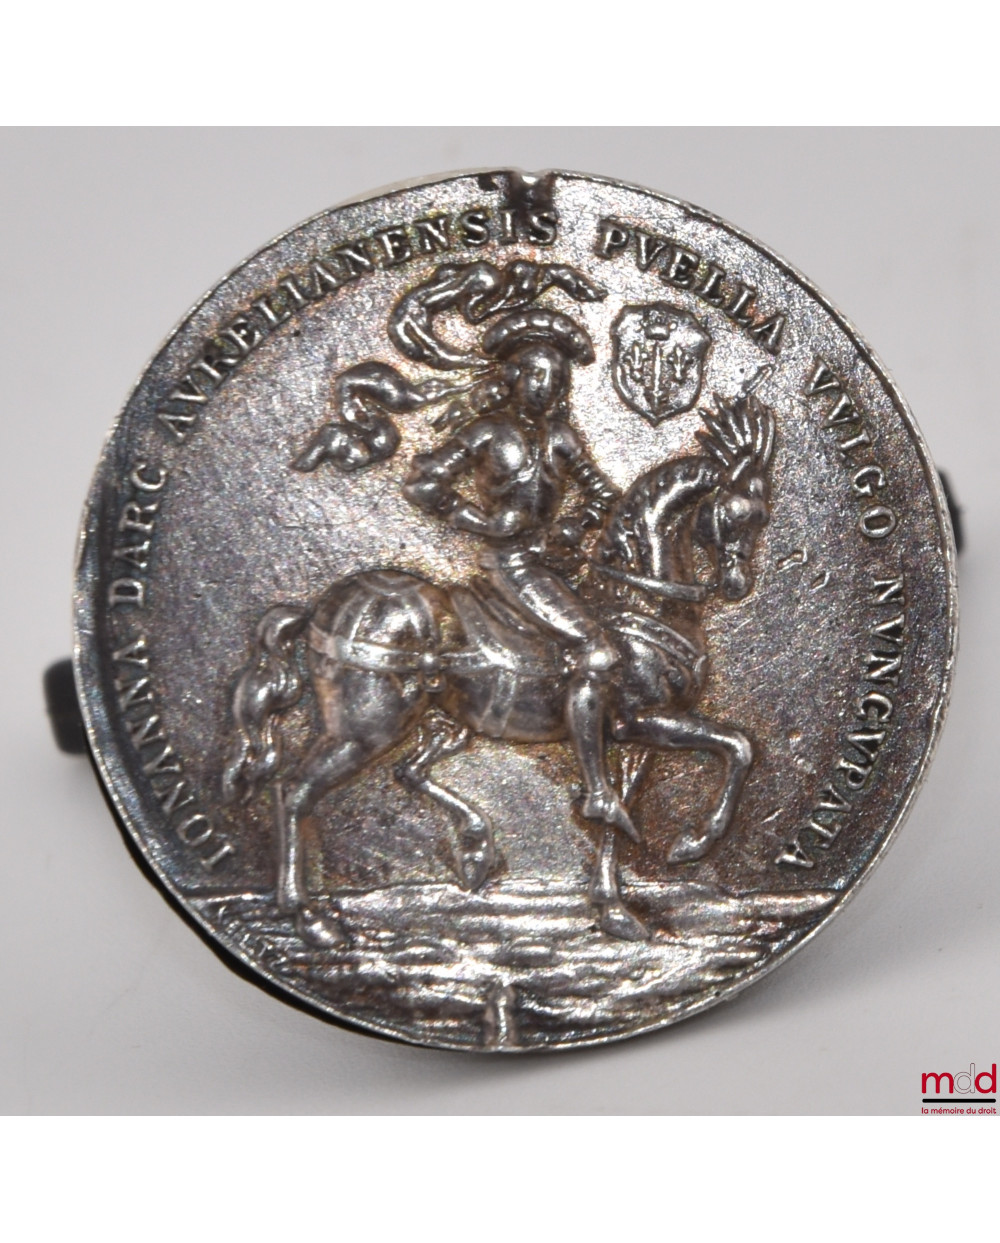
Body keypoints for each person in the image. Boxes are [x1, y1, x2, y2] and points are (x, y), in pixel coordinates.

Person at [402, 308, 637, 840]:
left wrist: (575, 526)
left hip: (553, 562)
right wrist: (480, 521)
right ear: (512, 376)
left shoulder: (561, 437)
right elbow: (422, 483)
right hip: (509, 565)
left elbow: (603, 494)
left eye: (556, 377)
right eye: (536, 374)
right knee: (598, 653)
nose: (546, 386)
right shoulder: (487, 432)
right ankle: (597, 792)